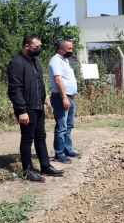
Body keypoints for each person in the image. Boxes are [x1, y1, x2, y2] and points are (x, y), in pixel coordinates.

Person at [7, 34, 64, 182]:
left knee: (41, 137)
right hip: (27, 108)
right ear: (27, 46)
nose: (39, 49)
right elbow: (15, 89)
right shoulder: (17, 63)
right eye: (36, 47)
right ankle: (27, 171)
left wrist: (43, 101)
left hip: (38, 105)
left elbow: (39, 84)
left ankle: (45, 166)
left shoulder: (34, 62)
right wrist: (22, 111)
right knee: (27, 139)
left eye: (40, 46)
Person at [48, 38, 80, 163]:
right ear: (61, 49)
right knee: (61, 126)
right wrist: (64, 97)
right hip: (61, 98)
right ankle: (59, 153)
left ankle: (68, 149)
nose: (71, 50)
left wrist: (72, 93)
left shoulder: (65, 60)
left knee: (69, 125)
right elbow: (58, 80)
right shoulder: (56, 61)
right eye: (69, 48)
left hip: (69, 97)